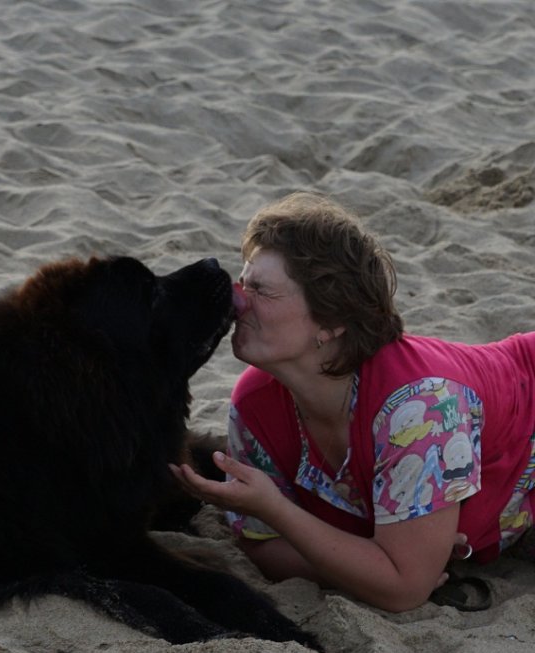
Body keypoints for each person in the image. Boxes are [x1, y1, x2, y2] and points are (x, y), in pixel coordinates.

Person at [171, 192, 535, 612]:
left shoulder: (418, 406)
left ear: (331, 322)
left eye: (261, 290)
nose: (237, 300)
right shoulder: (255, 401)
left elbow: (402, 590)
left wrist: (281, 512)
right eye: (243, 280)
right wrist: (367, 558)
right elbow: (263, 548)